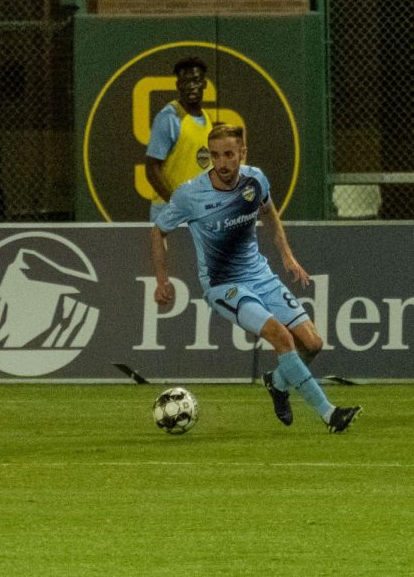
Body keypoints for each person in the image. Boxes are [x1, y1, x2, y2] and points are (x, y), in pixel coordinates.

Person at [150, 124, 361, 433]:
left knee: (312, 343)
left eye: (229, 155)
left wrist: (287, 256)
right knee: (282, 337)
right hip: (224, 284)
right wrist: (162, 279)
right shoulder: (190, 195)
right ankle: (330, 414)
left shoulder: (255, 180)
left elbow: (269, 214)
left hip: (260, 274)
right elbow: (158, 230)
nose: (222, 163)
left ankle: (277, 383)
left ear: (242, 153)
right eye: (215, 155)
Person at [145, 57, 214, 224]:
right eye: (185, 81)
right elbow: (151, 169)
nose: (191, 86)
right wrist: (176, 205)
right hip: (170, 212)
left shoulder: (206, 119)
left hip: (198, 213)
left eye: (196, 80)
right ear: (178, 85)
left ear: (204, 84)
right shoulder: (168, 118)